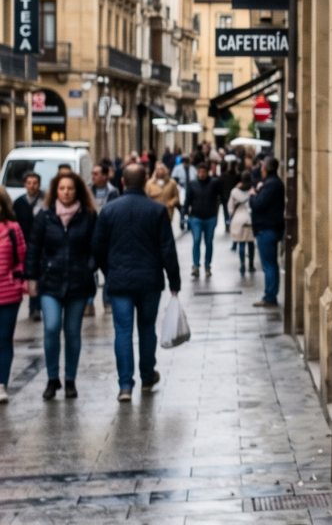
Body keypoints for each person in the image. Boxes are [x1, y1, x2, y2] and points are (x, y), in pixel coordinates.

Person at [93, 164, 181, 403]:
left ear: (122, 182)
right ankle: (146, 374)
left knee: (122, 331)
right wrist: (174, 280)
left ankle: (125, 385)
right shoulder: (157, 210)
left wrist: (109, 271)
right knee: (146, 328)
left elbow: (98, 247)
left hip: (119, 280)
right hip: (149, 280)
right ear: (145, 181)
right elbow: (167, 249)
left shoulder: (109, 211)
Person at [25, 171, 97, 401]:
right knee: (52, 327)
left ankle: (70, 380)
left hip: (78, 282)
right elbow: (33, 248)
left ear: (78, 191)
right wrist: (32, 278)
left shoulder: (87, 216)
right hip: (50, 282)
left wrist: (89, 266)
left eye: (70, 188)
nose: (66, 192)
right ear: (55, 191)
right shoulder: (45, 216)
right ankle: (52, 378)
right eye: (62, 188)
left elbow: (96, 247)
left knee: (73, 332)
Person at [0, 189, 28, 405]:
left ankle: (2, 384)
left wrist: (17, 281)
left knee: (4, 339)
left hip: (8, 294)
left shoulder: (13, 229)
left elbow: (22, 258)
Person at [250, 156, 284, 308]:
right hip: (270, 227)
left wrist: (252, 196)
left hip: (267, 228)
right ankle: (270, 295)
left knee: (269, 265)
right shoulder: (273, 183)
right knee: (271, 264)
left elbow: (258, 205)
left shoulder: (270, 184)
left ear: (265, 169)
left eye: (262, 167)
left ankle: (270, 296)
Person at [184, 159, 224, 278]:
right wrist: (185, 214)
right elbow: (188, 199)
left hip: (210, 217)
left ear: (207, 172)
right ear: (197, 172)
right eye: (199, 172)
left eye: (203, 171)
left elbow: (220, 197)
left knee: (208, 242)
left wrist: (216, 213)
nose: (201, 174)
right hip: (196, 216)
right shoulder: (192, 183)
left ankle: (207, 265)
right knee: (196, 240)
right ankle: (196, 265)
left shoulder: (214, 183)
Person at [13, 171, 43, 320]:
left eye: (35, 183)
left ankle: (36, 307)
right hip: (23, 244)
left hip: (41, 244)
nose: (32, 186)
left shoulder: (44, 201)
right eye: (29, 183)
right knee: (27, 275)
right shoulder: (18, 203)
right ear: (25, 185)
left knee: (36, 274)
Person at [228, 172, 256, 276]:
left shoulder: (234, 191)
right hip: (250, 219)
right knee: (251, 243)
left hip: (238, 220)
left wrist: (231, 215)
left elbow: (230, 208)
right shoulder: (253, 190)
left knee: (241, 243)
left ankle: (242, 264)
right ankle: (251, 265)